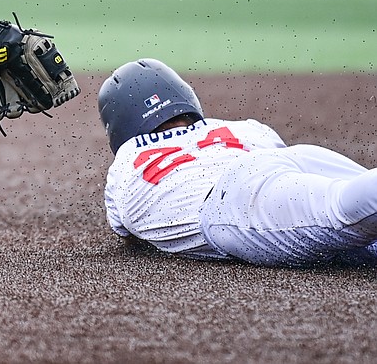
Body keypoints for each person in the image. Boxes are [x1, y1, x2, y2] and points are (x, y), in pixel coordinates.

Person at [99, 58, 377, 267]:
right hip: (296, 157)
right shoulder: (243, 126)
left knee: (340, 211)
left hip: (233, 201)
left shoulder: (125, 161)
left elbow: (129, 236)